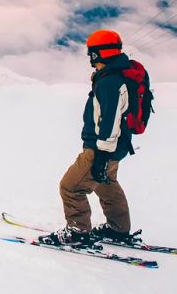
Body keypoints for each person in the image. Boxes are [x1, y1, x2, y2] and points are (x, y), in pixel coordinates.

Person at [39, 29, 134, 248]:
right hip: (116, 146)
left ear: (98, 54)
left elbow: (110, 120)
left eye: (91, 53)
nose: (90, 59)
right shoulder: (115, 75)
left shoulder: (110, 81)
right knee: (105, 184)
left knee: (70, 187)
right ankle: (118, 229)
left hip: (102, 148)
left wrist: (101, 154)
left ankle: (77, 233)